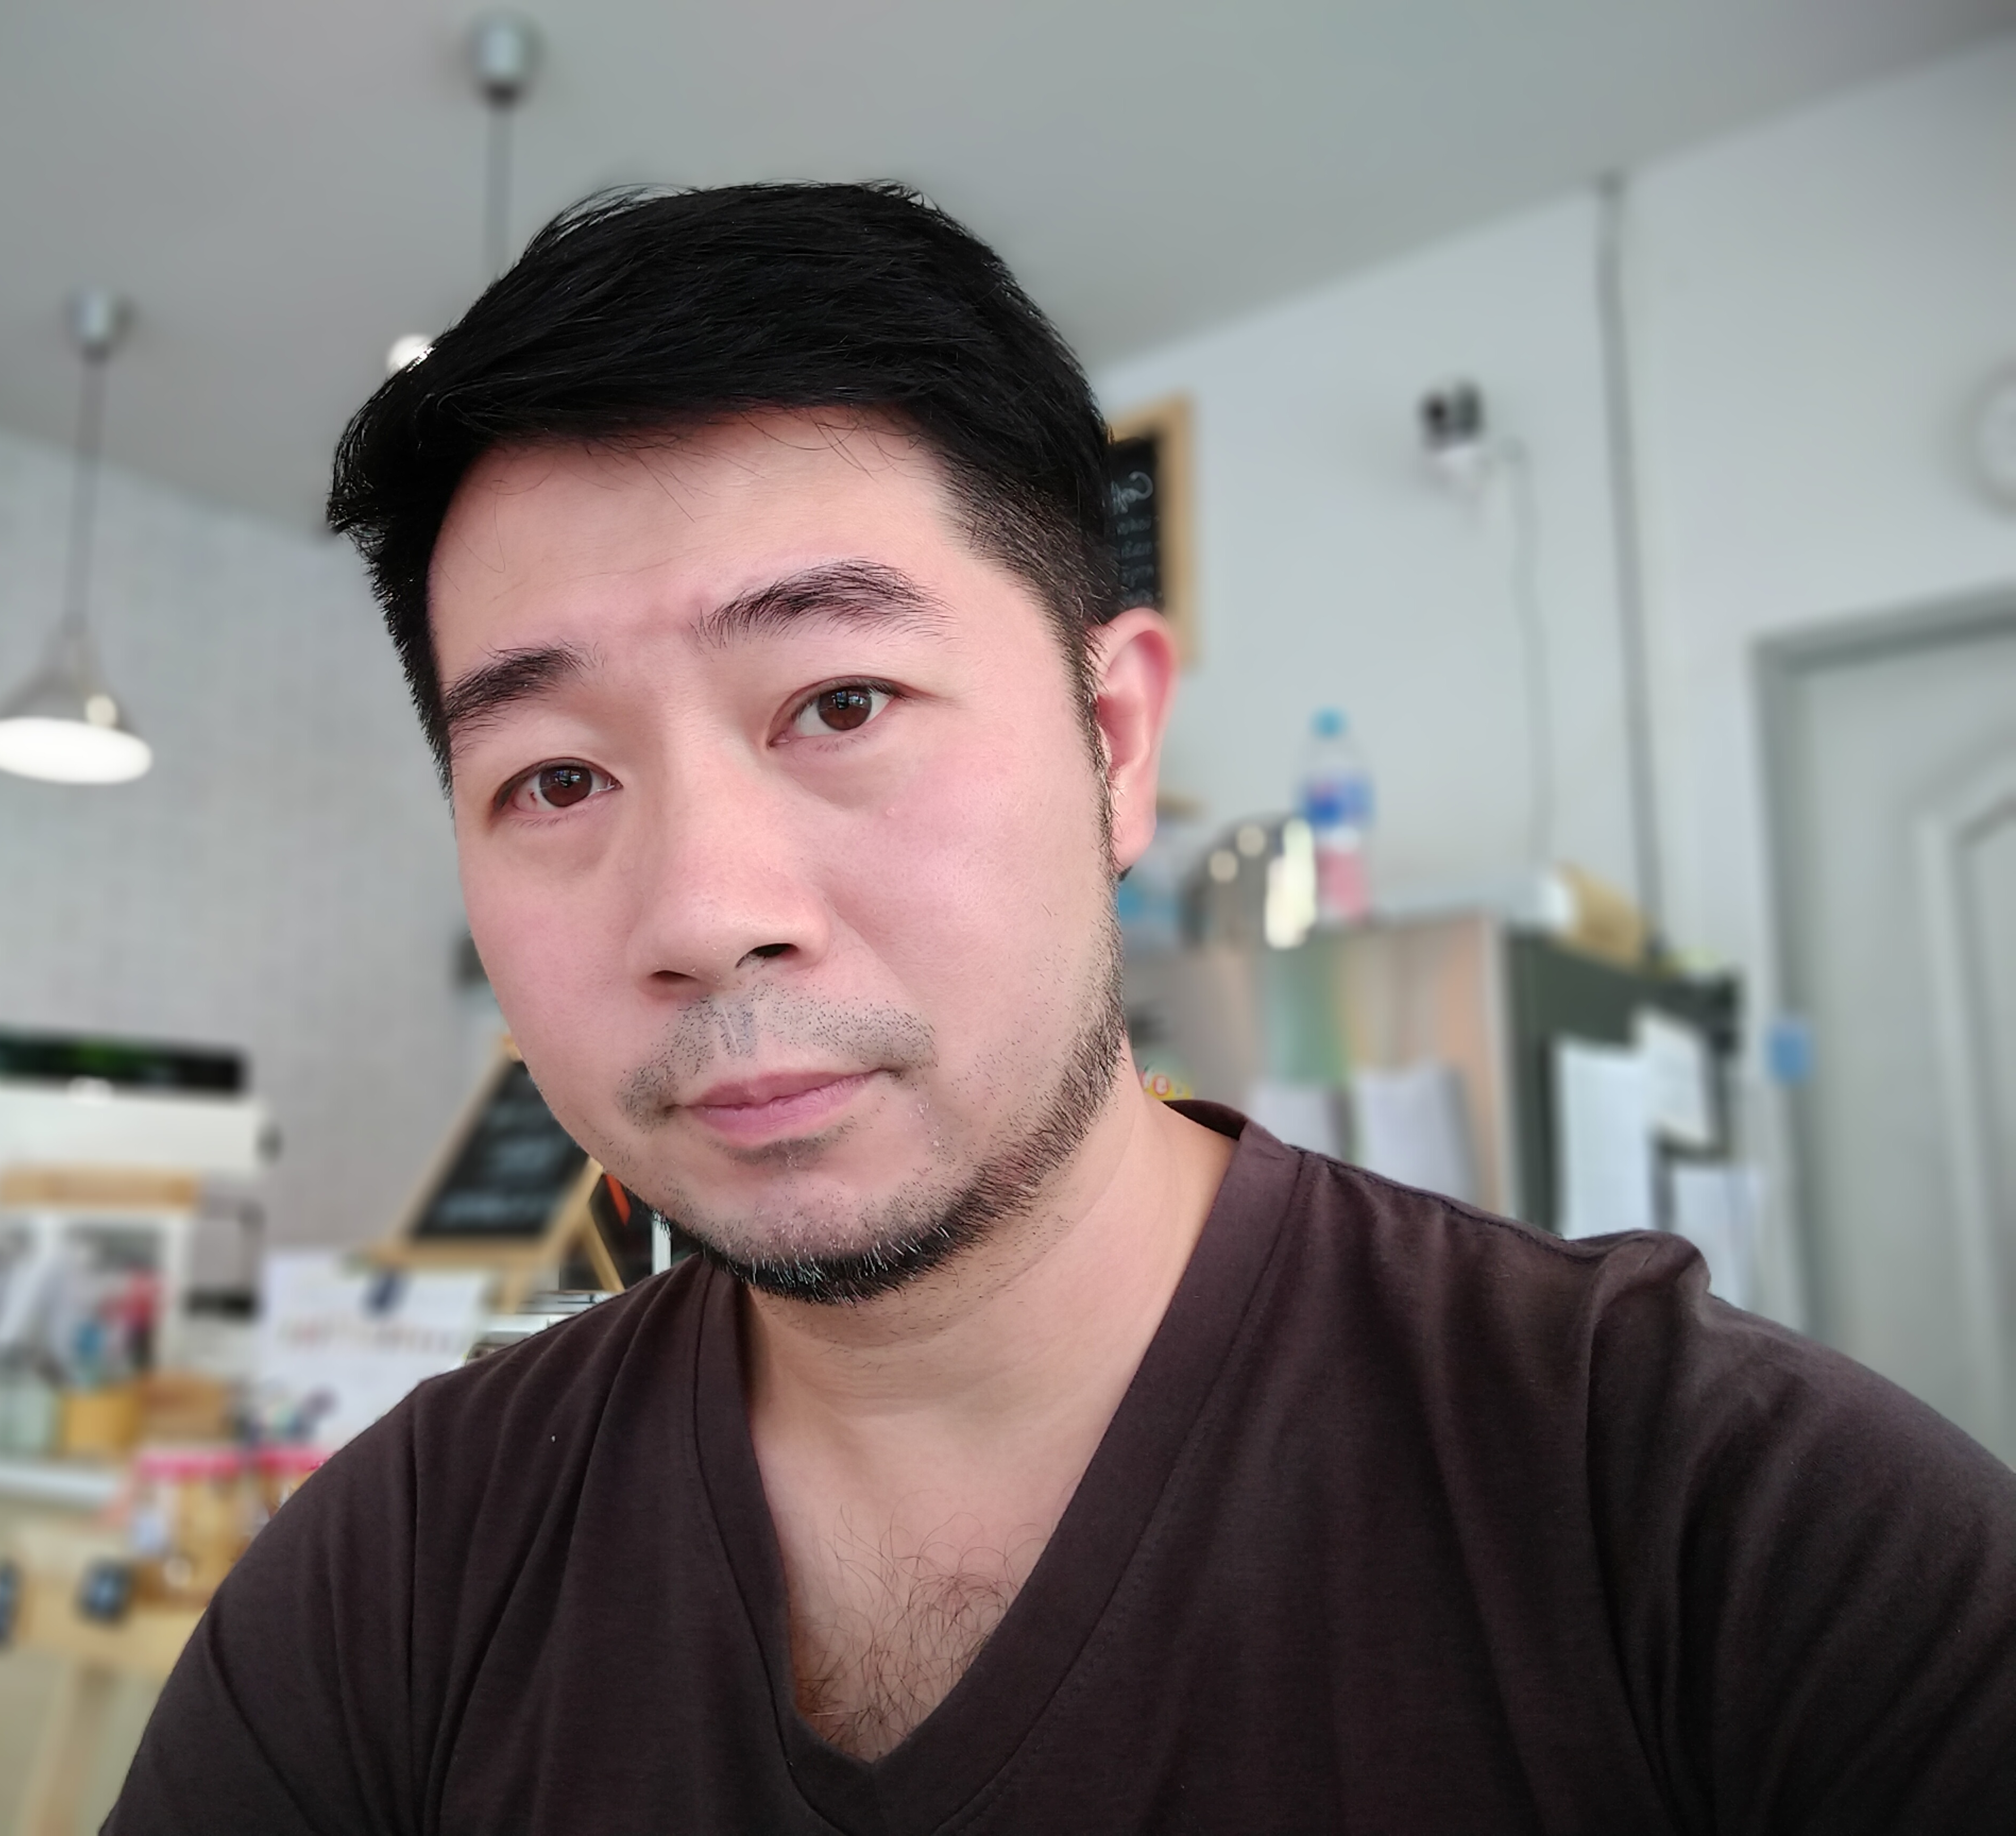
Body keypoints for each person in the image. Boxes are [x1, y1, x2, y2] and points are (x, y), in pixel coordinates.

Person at [107, 184, 2016, 1835]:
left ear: (1114, 742)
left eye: (840, 704)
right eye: (554, 780)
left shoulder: (1731, 1532)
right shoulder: (396, 1577)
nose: (704, 918)